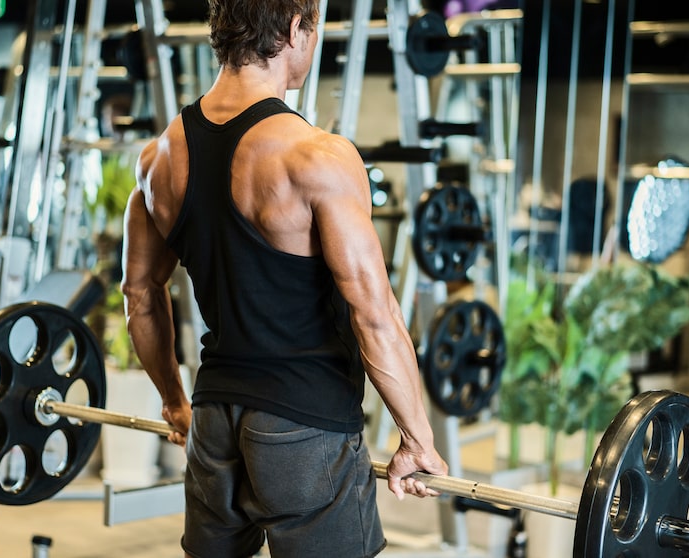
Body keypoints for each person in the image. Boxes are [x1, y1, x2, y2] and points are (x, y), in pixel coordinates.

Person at [120, 1, 448, 557]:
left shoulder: (158, 159)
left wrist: (175, 400)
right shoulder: (316, 156)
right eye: (313, 30)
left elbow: (140, 297)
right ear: (296, 27)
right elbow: (374, 313)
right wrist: (417, 438)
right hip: (304, 424)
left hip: (213, 418)